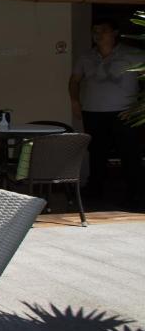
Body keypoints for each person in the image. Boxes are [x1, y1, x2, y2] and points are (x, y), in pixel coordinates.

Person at [69, 18, 144, 207]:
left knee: (129, 152)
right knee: (97, 152)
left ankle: (135, 192)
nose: (98, 34)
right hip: (93, 111)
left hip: (124, 112)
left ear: (115, 33)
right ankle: (95, 189)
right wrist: (75, 101)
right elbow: (74, 80)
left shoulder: (134, 54)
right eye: (95, 30)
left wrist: (139, 107)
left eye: (103, 30)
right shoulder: (86, 56)